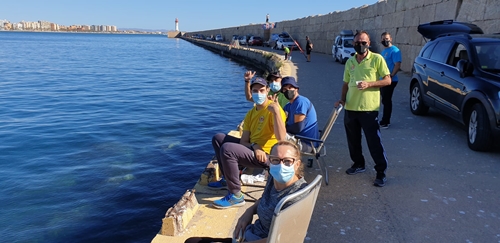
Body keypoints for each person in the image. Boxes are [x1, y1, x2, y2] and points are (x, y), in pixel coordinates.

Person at [185, 141, 308, 243]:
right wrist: (249, 211)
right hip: (251, 234)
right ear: (270, 161)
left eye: (287, 161)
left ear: (297, 164)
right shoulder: (273, 177)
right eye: (275, 160)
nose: (281, 165)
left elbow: (283, 239)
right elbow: (265, 199)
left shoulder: (297, 195)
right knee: (193, 241)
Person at [209, 77, 287, 208]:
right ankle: (227, 180)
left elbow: (282, 139)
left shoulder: (274, 109)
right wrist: (255, 146)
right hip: (255, 151)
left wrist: (276, 113)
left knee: (228, 149)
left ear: (268, 91)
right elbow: (244, 141)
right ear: (251, 92)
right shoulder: (251, 113)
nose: (259, 94)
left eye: (262, 90)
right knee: (218, 138)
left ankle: (236, 196)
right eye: (255, 91)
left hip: (269, 155)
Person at [334, 30, 391, 187]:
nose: (360, 45)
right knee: (353, 140)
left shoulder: (377, 59)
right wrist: (342, 100)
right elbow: (346, 83)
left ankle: (381, 172)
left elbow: (387, 80)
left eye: (363, 43)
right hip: (351, 108)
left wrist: (369, 84)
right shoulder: (350, 62)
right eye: (357, 43)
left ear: (369, 44)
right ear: (353, 44)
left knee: (374, 141)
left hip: (368, 109)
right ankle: (358, 164)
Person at [280, 77, 319, 152]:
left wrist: (282, 129)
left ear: (296, 89)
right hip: (298, 138)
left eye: (290, 87)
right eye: (285, 89)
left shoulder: (301, 102)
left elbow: (298, 127)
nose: (288, 90)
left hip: (306, 143)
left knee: (275, 135)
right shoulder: (288, 105)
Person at [379, 32, 402, 129]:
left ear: (391, 39)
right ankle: (383, 119)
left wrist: (391, 76)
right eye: (383, 39)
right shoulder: (384, 51)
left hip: (390, 80)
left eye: (387, 38)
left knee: (387, 100)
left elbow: (397, 64)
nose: (385, 40)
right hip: (382, 80)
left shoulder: (395, 50)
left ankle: (385, 121)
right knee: (384, 100)